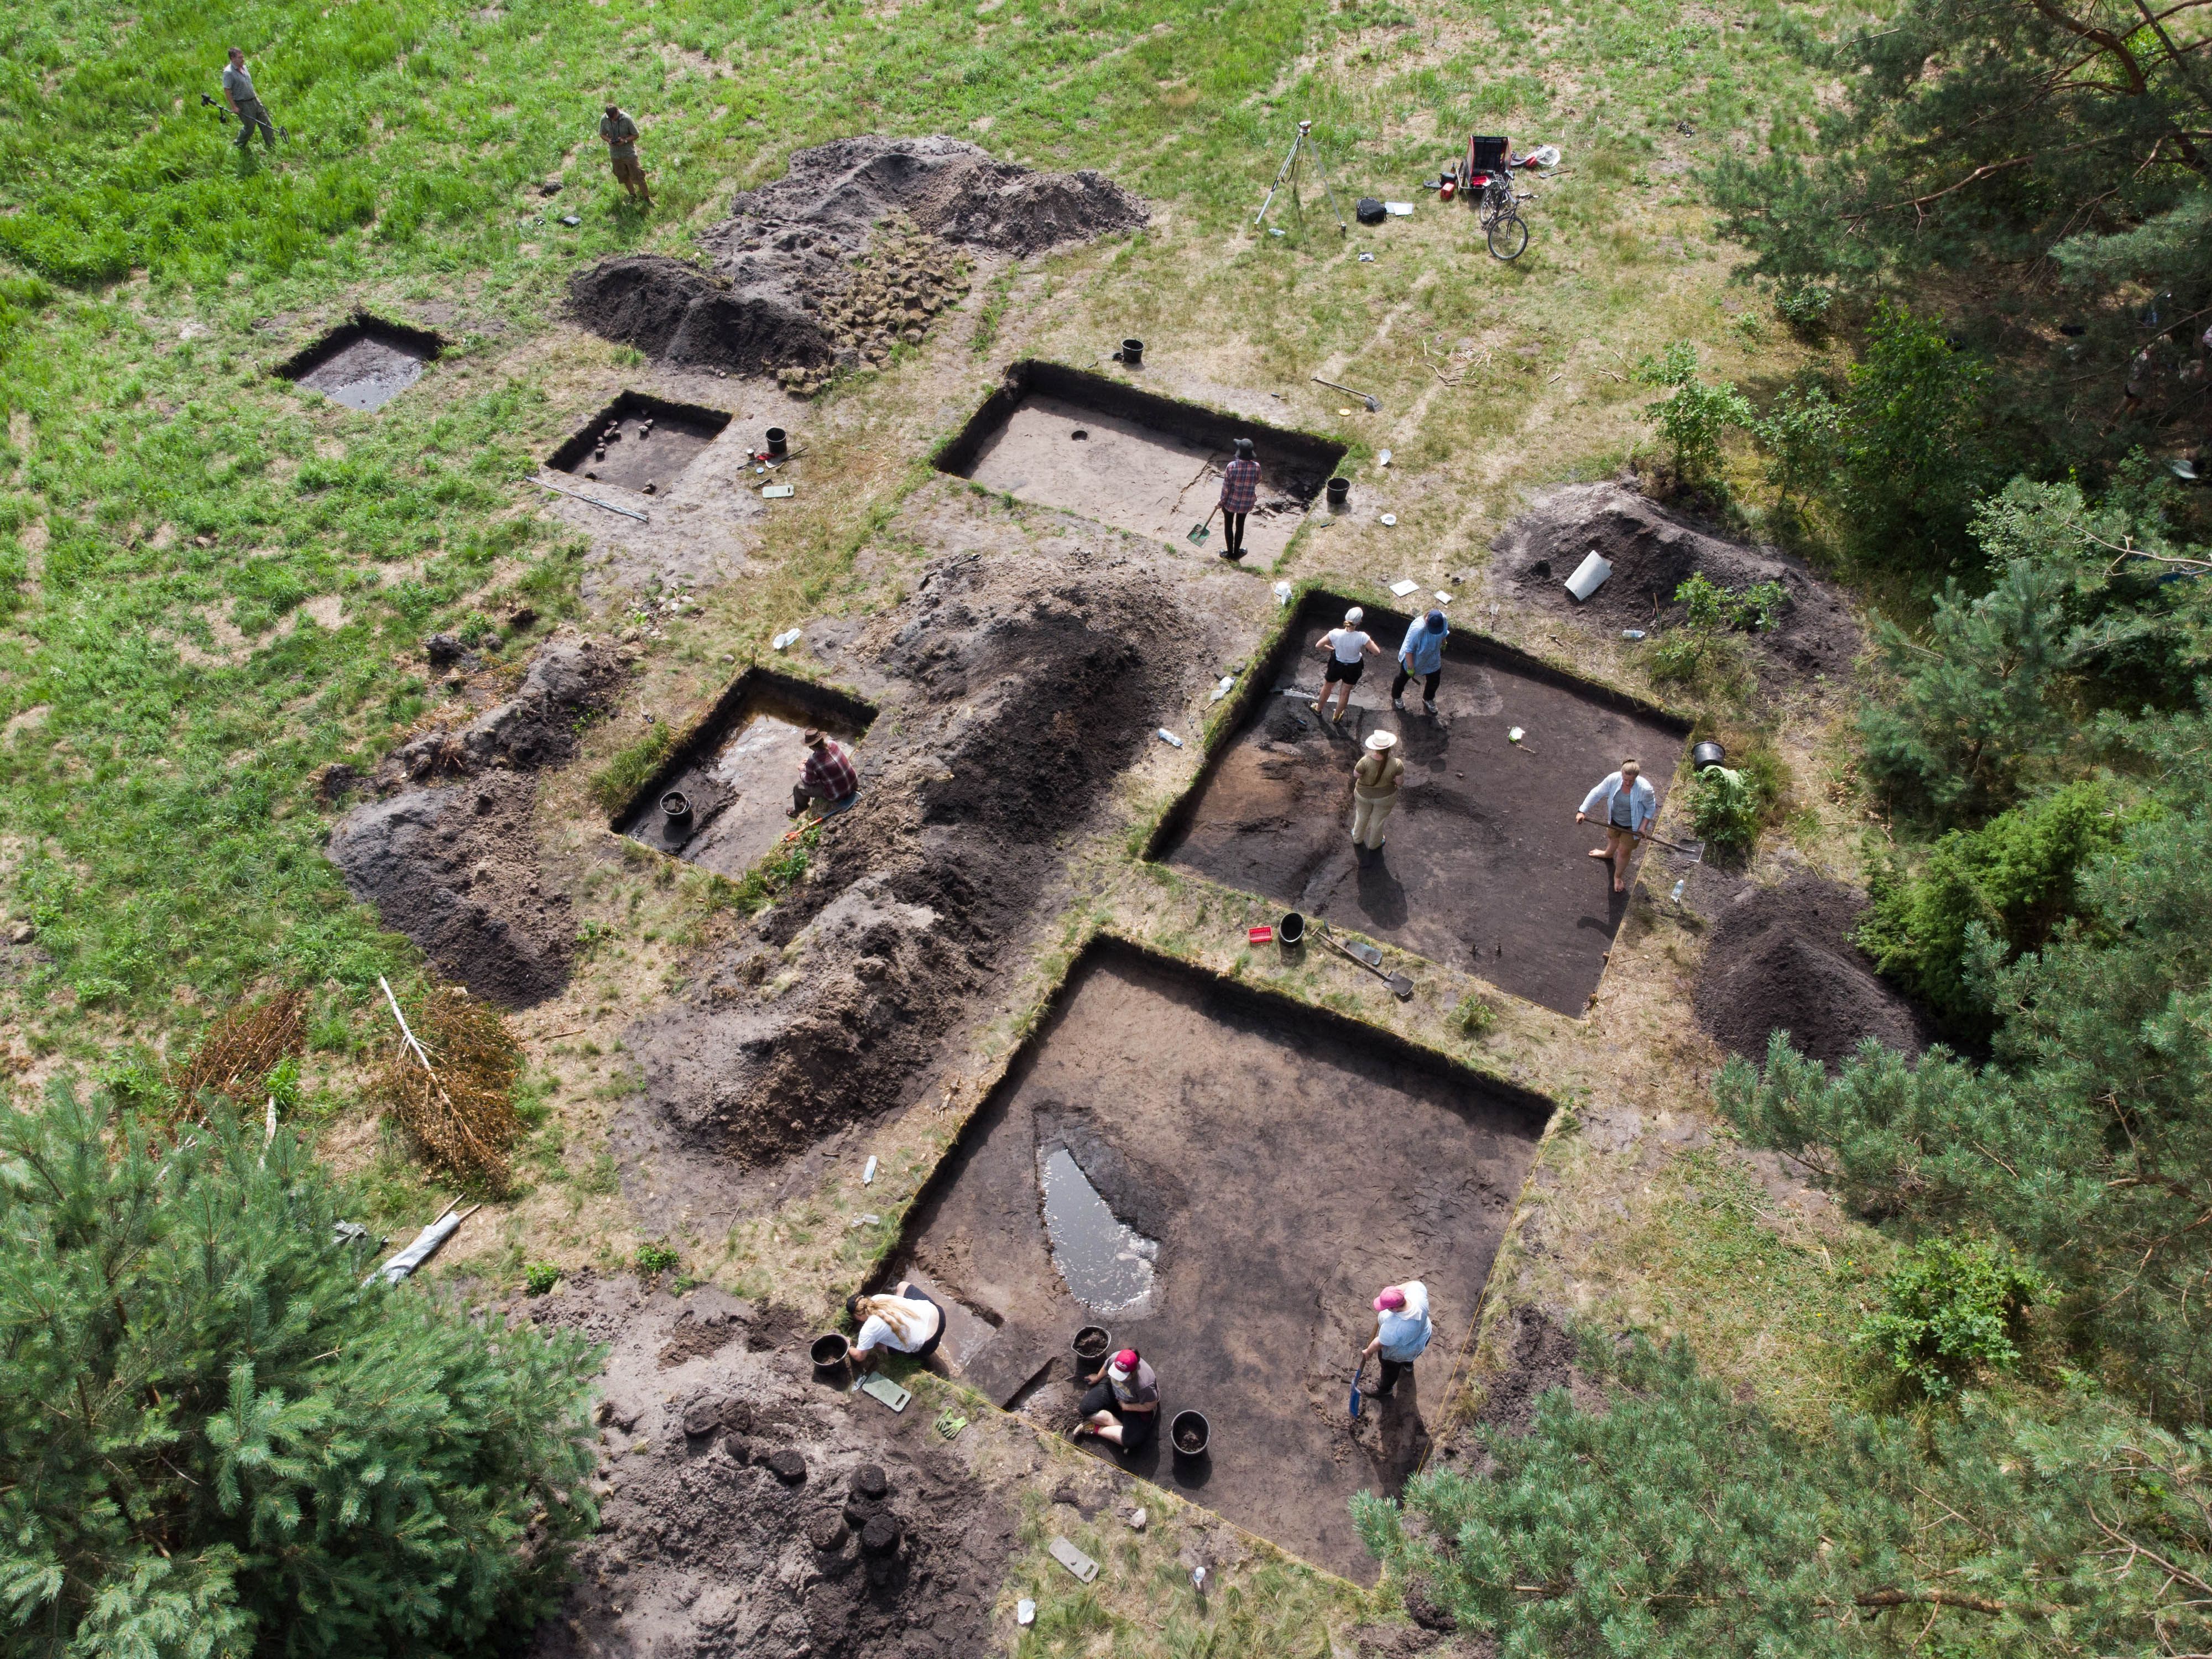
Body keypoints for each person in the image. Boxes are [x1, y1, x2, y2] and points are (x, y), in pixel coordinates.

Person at [1576, 758, 1656, 895]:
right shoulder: (1613, 779)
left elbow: (1650, 808)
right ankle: (1608, 854)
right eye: (1625, 779)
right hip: (1615, 820)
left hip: (1633, 826)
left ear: (1636, 778)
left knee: (1624, 851)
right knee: (1612, 837)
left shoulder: (1645, 789)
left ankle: (1617, 877)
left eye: (1631, 781)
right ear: (1622, 773)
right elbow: (1597, 793)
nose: (1628, 783)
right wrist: (1582, 810)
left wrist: (1643, 827)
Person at [1074, 1347, 1159, 1451]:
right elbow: (1106, 1367)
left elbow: (1150, 1405)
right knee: (1086, 1408)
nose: (1117, 1377)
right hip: (1114, 1389)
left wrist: (1126, 1407)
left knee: (1130, 1441)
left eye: (1122, 1375)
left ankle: (1096, 1429)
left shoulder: (1144, 1385)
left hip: (1134, 1403)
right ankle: (1121, 1429)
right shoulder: (1115, 1358)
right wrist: (1097, 1377)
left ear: (1133, 1372)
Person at [846, 1283, 945, 1370]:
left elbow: (859, 1356)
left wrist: (849, 1345)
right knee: (902, 1286)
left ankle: (917, 1355)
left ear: (857, 1316)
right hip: (939, 1316)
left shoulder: (868, 1330)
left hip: (928, 1345)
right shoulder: (878, 1298)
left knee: (877, 1344)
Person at [1360, 1281, 1432, 1399]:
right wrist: (1392, 1294)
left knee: (1390, 1368)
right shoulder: (1417, 1292)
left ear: (1394, 1308)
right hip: (1422, 1337)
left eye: (1387, 1307)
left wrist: (1368, 1351)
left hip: (1401, 1351)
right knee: (1410, 1357)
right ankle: (1408, 1365)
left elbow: (1379, 1343)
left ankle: (1384, 1389)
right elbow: (1412, 1283)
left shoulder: (1393, 1328)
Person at [1311, 606, 1379, 723]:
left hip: (1337, 665)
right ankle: (1336, 717)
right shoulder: (1362, 637)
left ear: (1346, 618)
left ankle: (1318, 709)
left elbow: (1319, 646)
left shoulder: (1335, 633)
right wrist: (1368, 645)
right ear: (1359, 622)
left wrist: (1332, 649)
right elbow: (1377, 652)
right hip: (1354, 667)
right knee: (1345, 692)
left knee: (1327, 687)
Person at [788, 728, 859, 820]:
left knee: (798, 787)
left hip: (837, 795)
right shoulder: (833, 744)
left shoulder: (813, 761)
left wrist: (802, 770)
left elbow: (809, 782)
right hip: (854, 784)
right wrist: (811, 765)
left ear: (810, 747)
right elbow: (825, 762)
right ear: (822, 739)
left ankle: (800, 812)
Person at [1351, 728, 1403, 853]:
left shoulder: (1364, 761)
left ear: (1374, 747)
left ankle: (1357, 838)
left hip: (1363, 795)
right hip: (1385, 798)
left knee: (1362, 815)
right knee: (1378, 821)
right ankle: (1375, 844)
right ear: (1389, 747)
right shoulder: (1397, 764)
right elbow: (1400, 783)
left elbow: (1356, 775)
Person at [1392, 609, 1448, 714]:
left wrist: (1444, 644)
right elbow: (1409, 650)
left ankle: (1428, 698)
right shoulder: (1418, 629)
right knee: (1403, 678)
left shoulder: (1443, 619)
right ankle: (1396, 696)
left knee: (1435, 680)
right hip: (1415, 658)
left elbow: (1443, 633)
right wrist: (1410, 668)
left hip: (1433, 657)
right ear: (1427, 621)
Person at [222, 48, 277, 152]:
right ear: (233, 58)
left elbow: (249, 85)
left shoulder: (244, 68)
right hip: (243, 104)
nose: (243, 59)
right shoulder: (228, 73)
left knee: (266, 123)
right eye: (240, 58)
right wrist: (234, 107)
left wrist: (256, 98)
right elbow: (227, 90)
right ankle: (238, 145)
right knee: (250, 128)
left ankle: (272, 147)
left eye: (243, 57)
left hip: (254, 101)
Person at [1215, 438, 1260, 561]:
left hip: (1230, 503)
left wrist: (1220, 503)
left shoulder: (1231, 467)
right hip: (1246, 504)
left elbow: (1226, 488)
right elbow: (1258, 480)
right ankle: (1236, 553)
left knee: (1228, 526)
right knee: (1240, 526)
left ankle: (1229, 554)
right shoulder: (1256, 467)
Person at [599, 103, 651, 207]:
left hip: (629, 153)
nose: (613, 120)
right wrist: (609, 140)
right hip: (615, 155)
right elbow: (602, 134)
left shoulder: (627, 119)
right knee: (623, 176)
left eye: (615, 118)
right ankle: (633, 196)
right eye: (611, 119)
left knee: (638, 176)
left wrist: (625, 140)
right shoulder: (604, 119)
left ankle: (647, 198)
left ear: (617, 112)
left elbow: (636, 134)